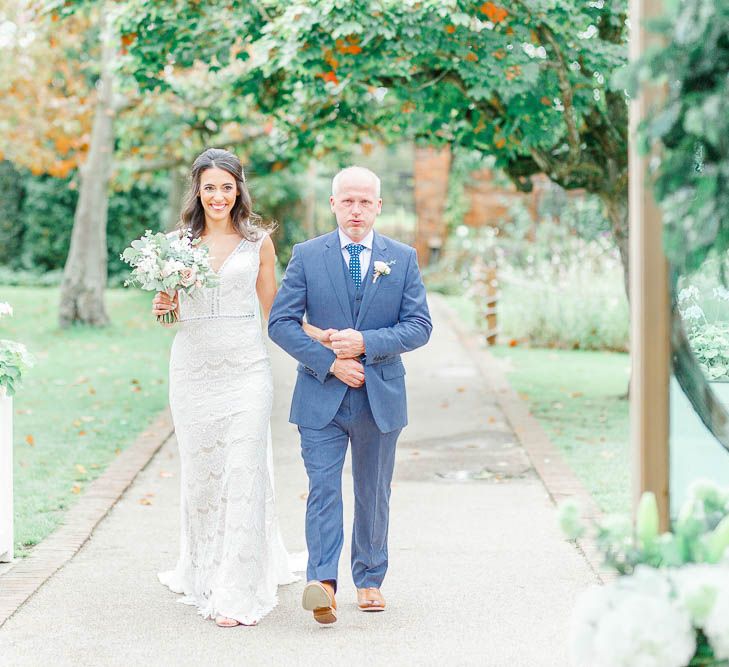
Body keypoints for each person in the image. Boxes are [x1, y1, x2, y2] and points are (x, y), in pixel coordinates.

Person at [152, 148, 322, 628]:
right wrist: (163, 305)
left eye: (227, 187)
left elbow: (276, 314)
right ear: (197, 191)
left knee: (244, 471)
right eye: (209, 187)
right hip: (193, 373)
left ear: (239, 190)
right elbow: (170, 316)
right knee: (204, 475)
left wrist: (321, 343)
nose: (218, 196)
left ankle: (235, 590)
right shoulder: (174, 245)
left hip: (247, 372)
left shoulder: (259, 244)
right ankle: (205, 569)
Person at [268, 166, 433, 624]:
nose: (356, 210)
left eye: (365, 202)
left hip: (380, 397)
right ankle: (323, 582)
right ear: (334, 204)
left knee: (373, 491)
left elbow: (420, 326)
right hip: (319, 396)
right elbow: (280, 322)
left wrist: (366, 344)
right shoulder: (306, 255)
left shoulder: (402, 257)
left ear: (378, 206)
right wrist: (330, 361)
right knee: (323, 489)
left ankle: (370, 579)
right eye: (348, 201)